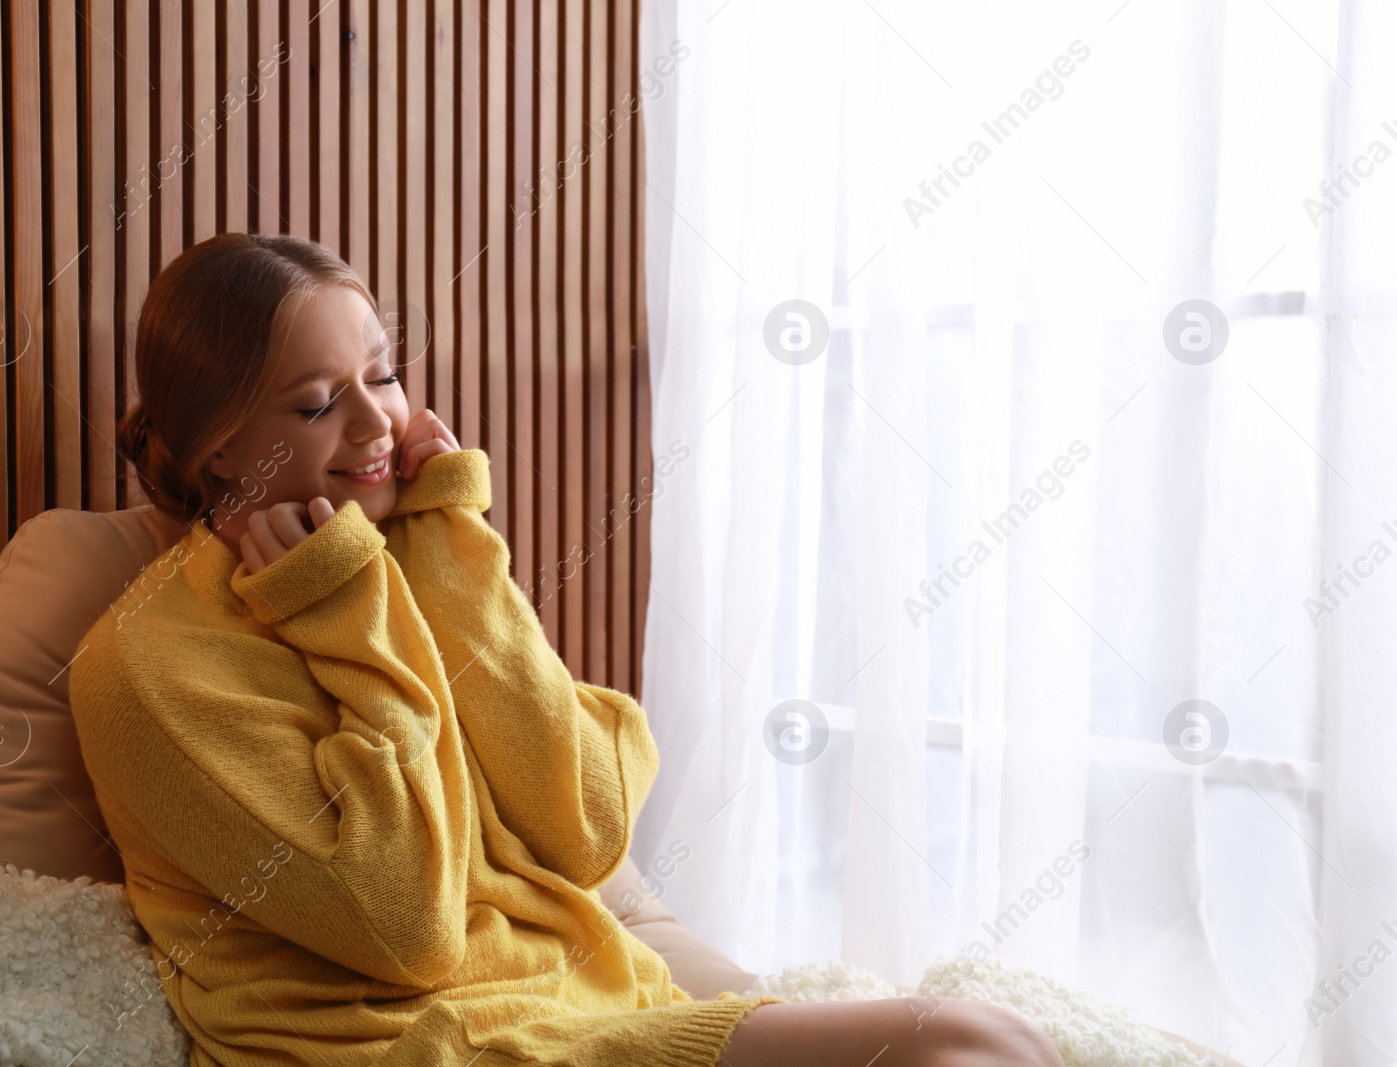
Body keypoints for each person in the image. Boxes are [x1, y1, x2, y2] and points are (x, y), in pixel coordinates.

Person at [68, 230, 1072, 1066]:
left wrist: (453, 551)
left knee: (999, 1035)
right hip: (414, 1045)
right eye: (317, 402)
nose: (381, 420)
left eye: (382, 372)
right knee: (955, 1050)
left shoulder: (401, 564)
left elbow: (585, 826)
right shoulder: (148, 665)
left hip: (580, 1006)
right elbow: (402, 926)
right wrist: (339, 614)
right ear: (219, 447)